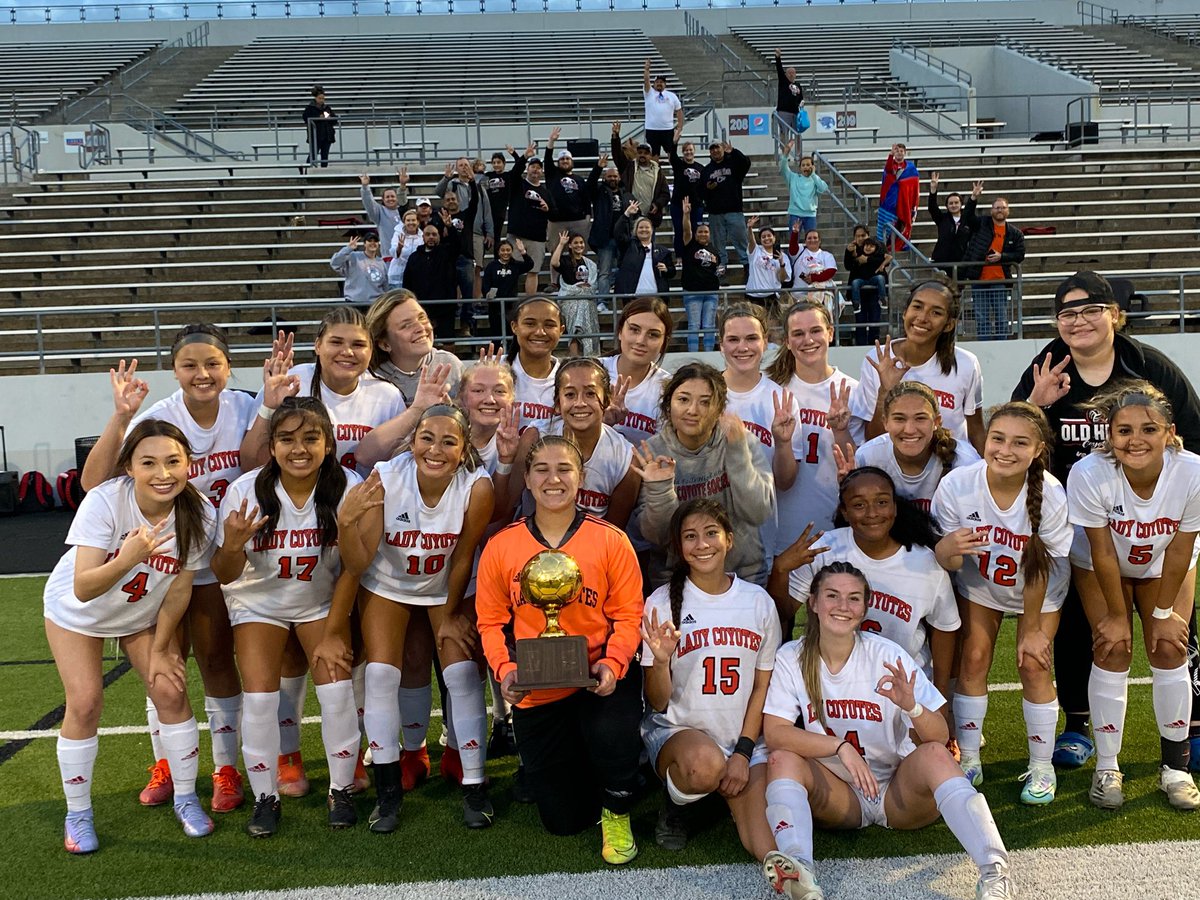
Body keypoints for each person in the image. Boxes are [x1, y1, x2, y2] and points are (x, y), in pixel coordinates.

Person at [1014, 271, 1200, 772]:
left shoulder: (1151, 369)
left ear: (1113, 314)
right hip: (1080, 523)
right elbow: (1014, 437)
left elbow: (1190, 438)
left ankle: (1193, 726)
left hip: (1152, 520)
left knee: (1176, 626)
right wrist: (1037, 403)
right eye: (1068, 313)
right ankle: (1079, 723)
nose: (1080, 321)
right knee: (1082, 624)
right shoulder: (1046, 366)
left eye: (1091, 310)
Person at [79, 325, 256, 815]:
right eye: (189, 365)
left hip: (218, 556)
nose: (202, 374)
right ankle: (167, 765)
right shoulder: (158, 418)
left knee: (219, 662)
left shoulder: (246, 407)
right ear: (174, 370)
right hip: (165, 563)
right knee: (164, 670)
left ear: (227, 366)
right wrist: (120, 418)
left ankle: (225, 769)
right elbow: (95, 483)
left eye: (213, 363)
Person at [761, 561, 1016, 900]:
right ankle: (799, 870)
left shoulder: (886, 654)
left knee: (936, 755)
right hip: (841, 795)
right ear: (813, 602)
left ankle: (994, 872)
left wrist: (912, 706)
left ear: (865, 606)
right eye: (832, 596)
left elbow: (938, 736)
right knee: (781, 759)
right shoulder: (791, 657)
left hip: (897, 792)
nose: (842, 606)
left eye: (853, 598)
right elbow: (776, 732)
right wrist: (839, 747)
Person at [46, 420, 218, 853]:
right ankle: (78, 814)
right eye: (149, 463)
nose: (163, 474)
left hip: (137, 616)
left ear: (189, 464)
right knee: (84, 703)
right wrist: (129, 557)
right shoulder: (105, 502)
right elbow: (84, 587)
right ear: (129, 468)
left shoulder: (199, 512)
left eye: (173, 462)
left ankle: (185, 798)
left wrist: (162, 648)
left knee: (172, 693)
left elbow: (180, 586)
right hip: (77, 612)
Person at [476, 436, 645, 862]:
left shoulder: (611, 541)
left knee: (609, 733)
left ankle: (618, 806)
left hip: (597, 678)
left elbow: (628, 616)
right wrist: (505, 671)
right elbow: (491, 622)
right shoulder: (502, 546)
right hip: (538, 683)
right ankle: (595, 775)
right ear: (528, 480)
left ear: (581, 477)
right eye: (542, 470)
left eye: (564, 469)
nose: (554, 479)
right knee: (563, 821)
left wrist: (612, 664)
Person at [211, 398, 364, 836]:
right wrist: (233, 544)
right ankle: (265, 797)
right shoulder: (244, 491)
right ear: (271, 447)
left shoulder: (347, 487)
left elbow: (356, 565)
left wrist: (336, 631)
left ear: (330, 443)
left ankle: (341, 789)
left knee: (335, 688)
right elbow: (224, 574)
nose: (299, 448)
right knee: (259, 696)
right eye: (287, 439)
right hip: (258, 602)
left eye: (311, 438)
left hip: (318, 601)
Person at [340, 405, 496, 831]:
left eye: (449, 441)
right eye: (427, 438)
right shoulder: (387, 478)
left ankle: (475, 785)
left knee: (462, 673)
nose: (436, 449)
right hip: (388, 582)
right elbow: (359, 561)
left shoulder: (477, 488)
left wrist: (448, 617)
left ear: (464, 450)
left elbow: (464, 556)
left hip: (448, 585)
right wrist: (345, 524)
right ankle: (388, 790)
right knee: (381, 676)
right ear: (412, 442)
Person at [1066, 382, 1200, 810]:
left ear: (1170, 432)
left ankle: (1175, 769)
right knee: (1112, 647)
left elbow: (1181, 545)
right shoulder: (1089, 472)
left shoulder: (1193, 471)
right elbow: (1102, 550)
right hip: (1102, 565)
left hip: (1167, 562)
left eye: (1148, 429)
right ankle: (1107, 767)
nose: (1135, 440)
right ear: (1110, 436)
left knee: (1168, 646)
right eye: (1124, 431)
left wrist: (1162, 611)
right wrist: (1118, 615)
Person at [932, 402, 1072, 806]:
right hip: (982, 584)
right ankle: (970, 758)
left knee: (1033, 662)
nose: (1005, 450)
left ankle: (1042, 765)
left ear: (1037, 449)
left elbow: (1039, 568)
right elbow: (950, 564)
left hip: (1038, 589)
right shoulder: (959, 485)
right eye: (997, 438)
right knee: (973, 658)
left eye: (1019, 442)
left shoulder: (1051, 492)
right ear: (985, 440)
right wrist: (947, 550)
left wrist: (1030, 628)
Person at [640, 499, 783, 860]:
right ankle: (677, 805)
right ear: (680, 547)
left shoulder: (758, 602)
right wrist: (659, 662)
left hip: (743, 739)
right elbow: (657, 702)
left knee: (767, 843)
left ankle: (717, 791)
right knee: (704, 767)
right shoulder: (660, 603)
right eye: (690, 536)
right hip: (681, 734)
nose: (702, 544)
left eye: (711, 533)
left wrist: (743, 752)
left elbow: (763, 687)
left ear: (729, 540)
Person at [779, 467, 959, 706]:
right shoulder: (825, 550)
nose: (872, 513)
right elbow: (782, 612)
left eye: (882, 502)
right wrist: (779, 570)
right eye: (859, 505)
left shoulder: (926, 564)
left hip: (901, 688)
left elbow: (944, 629)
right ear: (844, 511)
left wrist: (941, 695)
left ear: (895, 507)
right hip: (832, 686)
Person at [634, 361, 775, 589]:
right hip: (675, 580)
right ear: (668, 405)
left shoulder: (741, 440)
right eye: (683, 399)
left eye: (705, 402)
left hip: (741, 574)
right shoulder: (653, 453)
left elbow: (758, 513)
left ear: (720, 409)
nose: (693, 410)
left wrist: (737, 452)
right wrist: (660, 489)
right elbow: (657, 537)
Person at [498, 358, 639, 527]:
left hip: (592, 547)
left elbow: (613, 533)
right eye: (570, 394)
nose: (580, 403)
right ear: (558, 403)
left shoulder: (625, 459)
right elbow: (505, 508)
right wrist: (505, 461)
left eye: (590, 394)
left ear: (606, 401)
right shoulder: (535, 436)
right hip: (534, 543)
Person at [848, 278, 985, 453]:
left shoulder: (966, 364)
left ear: (949, 324)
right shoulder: (878, 358)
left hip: (950, 469)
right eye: (917, 307)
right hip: (896, 471)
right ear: (905, 312)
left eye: (936, 313)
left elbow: (977, 431)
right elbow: (873, 440)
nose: (922, 318)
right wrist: (885, 391)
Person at [764, 301, 856, 554]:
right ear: (786, 341)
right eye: (798, 333)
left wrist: (840, 430)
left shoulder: (852, 390)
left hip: (834, 526)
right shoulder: (771, 390)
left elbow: (858, 466)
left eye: (815, 330)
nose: (808, 340)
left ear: (830, 333)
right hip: (781, 526)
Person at [721, 302, 798, 568]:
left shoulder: (781, 398)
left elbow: (785, 481)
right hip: (708, 537)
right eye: (733, 339)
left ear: (765, 342)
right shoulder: (705, 395)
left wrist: (783, 442)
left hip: (759, 539)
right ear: (721, 345)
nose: (742, 347)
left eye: (751, 338)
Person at [850, 381, 979, 513]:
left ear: (936, 422)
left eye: (920, 418)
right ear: (885, 422)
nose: (910, 430)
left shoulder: (965, 461)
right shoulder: (868, 457)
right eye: (899, 419)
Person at [364, 290, 462, 405]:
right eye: (406, 325)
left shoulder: (450, 364)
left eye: (422, 318)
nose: (421, 328)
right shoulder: (369, 378)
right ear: (385, 344)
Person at [601, 296, 674, 446]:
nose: (641, 341)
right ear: (620, 331)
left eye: (653, 334)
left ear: (664, 342)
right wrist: (601, 424)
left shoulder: (668, 388)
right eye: (634, 330)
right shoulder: (591, 371)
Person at [962, 196, 1025, 341]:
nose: (1000, 210)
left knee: (1001, 318)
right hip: (979, 280)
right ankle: (984, 345)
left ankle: (1002, 344)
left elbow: (1020, 254)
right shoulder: (982, 224)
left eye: (1003, 207)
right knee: (981, 318)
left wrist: (1001, 256)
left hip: (1000, 280)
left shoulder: (1015, 233)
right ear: (992, 210)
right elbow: (967, 217)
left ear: (1008, 210)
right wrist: (973, 198)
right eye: (997, 207)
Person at [404, 207, 471, 340]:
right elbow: (407, 282)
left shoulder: (447, 253)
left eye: (434, 235)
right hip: (422, 308)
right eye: (428, 235)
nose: (431, 238)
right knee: (424, 340)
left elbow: (457, 245)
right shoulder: (414, 257)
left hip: (445, 307)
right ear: (423, 237)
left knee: (448, 341)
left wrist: (450, 228)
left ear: (439, 236)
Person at [506, 296, 564, 431]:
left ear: (561, 330)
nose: (540, 332)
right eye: (530, 324)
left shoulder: (569, 377)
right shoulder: (496, 369)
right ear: (514, 327)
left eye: (549, 325)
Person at [587, 154, 636, 302]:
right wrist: (598, 167)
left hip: (622, 238)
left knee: (624, 270)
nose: (612, 179)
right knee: (604, 272)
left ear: (619, 177)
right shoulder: (599, 192)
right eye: (609, 176)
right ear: (605, 178)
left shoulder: (626, 194)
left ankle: (624, 300)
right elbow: (590, 184)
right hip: (605, 238)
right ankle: (602, 301)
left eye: (615, 176)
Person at [506, 145, 554, 295]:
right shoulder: (518, 184)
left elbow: (554, 212)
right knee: (509, 270)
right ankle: (510, 304)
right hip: (516, 235)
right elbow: (514, 174)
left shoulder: (546, 192)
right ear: (527, 169)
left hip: (537, 238)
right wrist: (524, 156)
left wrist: (548, 209)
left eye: (538, 168)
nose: (535, 170)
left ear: (542, 171)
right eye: (532, 167)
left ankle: (530, 302)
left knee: (533, 271)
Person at [703, 140, 752, 273]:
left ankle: (747, 268)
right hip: (715, 213)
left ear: (722, 149)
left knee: (741, 241)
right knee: (718, 244)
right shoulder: (706, 170)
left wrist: (734, 152)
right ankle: (721, 269)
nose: (715, 151)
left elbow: (746, 163)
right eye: (712, 149)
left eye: (717, 147)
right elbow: (701, 192)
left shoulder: (734, 165)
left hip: (734, 211)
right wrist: (708, 189)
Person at [679, 198, 720, 352]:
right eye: (700, 231)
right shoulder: (690, 245)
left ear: (709, 234)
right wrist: (686, 215)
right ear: (696, 234)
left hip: (711, 292)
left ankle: (709, 355)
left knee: (710, 326)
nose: (703, 234)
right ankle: (693, 355)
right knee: (694, 325)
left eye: (706, 232)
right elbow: (686, 230)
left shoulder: (715, 250)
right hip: (692, 292)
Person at [611, 123, 670, 229]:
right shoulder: (628, 167)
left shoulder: (658, 172)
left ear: (650, 156)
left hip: (650, 217)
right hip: (631, 215)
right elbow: (617, 156)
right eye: (640, 152)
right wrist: (615, 137)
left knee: (648, 244)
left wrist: (657, 204)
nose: (642, 155)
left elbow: (665, 194)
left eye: (646, 153)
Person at [550, 231, 600, 356]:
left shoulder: (590, 264)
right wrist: (561, 244)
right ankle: (575, 359)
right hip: (570, 301)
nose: (579, 245)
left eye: (581, 242)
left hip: (587, 302)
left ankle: (589, 358)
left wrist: (584, 290)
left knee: (587, 330)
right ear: (570, 245)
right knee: (575, 331)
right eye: (576, 243)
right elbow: (554, 263)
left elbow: (592, 285)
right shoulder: (566, 261)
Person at [543, 127, 592, 249]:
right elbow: (547, 159)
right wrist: (551, 141)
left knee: (579, 252)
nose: (565, 161)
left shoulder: (579, 180)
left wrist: (587, 216)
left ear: (572, 162)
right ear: (558, 162)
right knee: (556, 253)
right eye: (562, 159)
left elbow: (586, 199)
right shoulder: (552, 175)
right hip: (557, 222)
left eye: (567, 159)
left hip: (578, 221)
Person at [927, 172, 981, 278]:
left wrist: (973, 197)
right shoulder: (942, 219)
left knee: (958, 291)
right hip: (942, 261)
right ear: (947, 206)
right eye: (950, 203)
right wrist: (933, 190)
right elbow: (932, 208)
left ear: (961, 204)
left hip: (961, 262)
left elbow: (969, 211)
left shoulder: (967, 219)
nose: (953, 205)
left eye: (956, 203)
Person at [614, 206, 675, 297]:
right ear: (636, 230)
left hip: (657, 300)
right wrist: (626, 214)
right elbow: (618, 233)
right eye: (641, 227)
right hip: (633, 298)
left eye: (647, 227)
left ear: (652, 230)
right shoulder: (628, 247)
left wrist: (666, 269)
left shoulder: (663, 251)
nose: (644, 230)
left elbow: (672, 272)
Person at [843, 231, 890, 346]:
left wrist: (868, 260)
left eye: (863, 235)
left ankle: (875, 345)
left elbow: (887, 258)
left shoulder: (878, 246)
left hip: (875, 291)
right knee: (860, 320)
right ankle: (861, 344)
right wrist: (850, 252)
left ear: (868, 236)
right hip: (859, 291)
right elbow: (849, 265)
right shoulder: (853, 249)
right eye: (858, 236)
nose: (860, 238)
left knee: (875, 319)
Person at [480, 239, 535, 337]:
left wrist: (523, 251)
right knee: (496, 335)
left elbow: (529, 265)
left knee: (511, 335)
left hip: (511, 306)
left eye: (508, 250)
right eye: (503, 250)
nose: (505, 253)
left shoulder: (515, 265)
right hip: (495, 307)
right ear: (498, 252)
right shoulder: (491, 266)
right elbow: (485, 283)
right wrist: (487, 294)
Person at [787, 227, 839, 324]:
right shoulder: (800, 251)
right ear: (805, 241)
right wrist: (795, 233)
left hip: (820, 296)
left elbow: (831, 271)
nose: (812, 240)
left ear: (819, 241)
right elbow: (793, 249)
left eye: (815, 238)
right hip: (799, 295)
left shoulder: (826, 255)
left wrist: (814, 278)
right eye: (809, 238)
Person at [778, 142, 828, 235]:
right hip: (795, 214)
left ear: (813, 167)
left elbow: (823, 188)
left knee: (811, 239)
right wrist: (785, 154)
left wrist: (813, 174)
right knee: (794, 240)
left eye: (808, 165)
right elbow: (783, 169)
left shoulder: (815, 179)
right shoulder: (793, 177)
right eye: (803, 165)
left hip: (810, 215)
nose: (806, 167)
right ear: (800, 168)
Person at [876, 142, 919, 250]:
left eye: (901, 151)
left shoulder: (911, 168)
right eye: (897, 151)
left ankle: (902, 245)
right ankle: (884, 247)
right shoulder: (889, 167)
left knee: (902, 225)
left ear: (905, 153)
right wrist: (890, 155)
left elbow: (914, 187)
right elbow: (889, 171)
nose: (899, 153)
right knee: (886, 226)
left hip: (904, 203)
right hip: (889, 203)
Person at [745, 217, 792, 313]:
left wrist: (781, 263)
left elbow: (782, 279)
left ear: (774, 238)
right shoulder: (756, 251)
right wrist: (750, 228)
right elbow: (751, 240)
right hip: (753, 295)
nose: (766, 238)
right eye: (763, 236)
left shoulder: (783, 256)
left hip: (771, 295)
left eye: (769, 236)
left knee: (772, 325)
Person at [668, 142, 705, 258]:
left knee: (695, 231)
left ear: (694, 151)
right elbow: (672, 155)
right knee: (679, 231)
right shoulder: (679, 165)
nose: (688, 152)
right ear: (683, 152)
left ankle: (693, 255)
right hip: (678, 204)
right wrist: (674, 141)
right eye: (686, 150)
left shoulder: (701, 168)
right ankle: (680, 256)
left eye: (690, 150)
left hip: (696, 205)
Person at [330, 232, 388, 306]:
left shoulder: (381, 262)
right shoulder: (354, 256)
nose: (373, 243)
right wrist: (348, 249)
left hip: (374, 304)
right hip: (354, 302)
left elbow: (385, 285)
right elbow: (334, 263)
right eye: (370, 241)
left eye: (375, 241)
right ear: (364, 244)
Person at [360, 169, 410, 254]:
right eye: (387, 197)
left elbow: (403, 201)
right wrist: (365, 187)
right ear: (383, 199)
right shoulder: (379, 212)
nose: (390, 199)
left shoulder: (403, 212)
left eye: (392, 196)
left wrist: (402, 185)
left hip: (405, 255)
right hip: (388, 256)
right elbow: (369, 203)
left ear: (397, 198)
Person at [642, 59, 683, 157]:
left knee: (671, 154)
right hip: (652, 129)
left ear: (665, 84)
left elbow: (679, 111)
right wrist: (646, 70)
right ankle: (655, 172)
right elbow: (646, 80)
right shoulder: (649, 93)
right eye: (657, 82)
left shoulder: (672, 95)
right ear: (654, 83)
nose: (660, 83)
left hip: (667, 129)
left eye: (662, 82)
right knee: (653, 156)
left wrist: (679, 127)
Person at [386, 209, 424, 290]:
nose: (411, 223)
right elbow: (393, 253)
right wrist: (399, 247)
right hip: (397, 275)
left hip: (414, 276)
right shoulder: (398, 233)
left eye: (413, 220)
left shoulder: (422, 237)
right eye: (408, 220)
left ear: (418, 222)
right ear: (404, 222)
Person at [302, 86, 336, 169]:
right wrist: (318, 117)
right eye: (320, 98)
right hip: (316, 135)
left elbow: (334, 120)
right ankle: (307, 170)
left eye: (323, 98)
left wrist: (328, 117)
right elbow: (305, 118)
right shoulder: (310, 108)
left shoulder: (327, 108)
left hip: (327, 135)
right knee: (313, 154)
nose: (322, 100)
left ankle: (324, 172)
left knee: (325, 155)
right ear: (315, 98)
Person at [773, 47, 804, 133]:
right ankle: (784, 147)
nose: (791, 74)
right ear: (786, 74)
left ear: (795, 74)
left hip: (795, 112)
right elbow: (779, 68)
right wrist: (778, 57)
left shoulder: (798, 85)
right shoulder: (783, 81)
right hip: (784, 111)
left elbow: (800, 98)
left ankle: (796, 146)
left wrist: (801, 103)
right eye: (789, 73)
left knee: (797, 133)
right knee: (784, 132)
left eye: (793, 73)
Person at [484, 152, 512, 240]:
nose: (496, 165)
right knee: (485, 236)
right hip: (487, 211)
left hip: (500, 211)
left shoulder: (508, 176)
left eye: (499, 162)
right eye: (494, 163)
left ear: (504, 163)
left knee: (497, 237)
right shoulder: (488, 175)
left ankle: (497, 253)